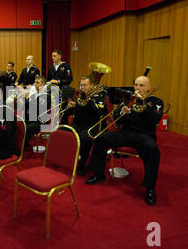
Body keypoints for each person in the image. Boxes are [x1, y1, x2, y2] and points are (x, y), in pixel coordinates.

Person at [85, 76, 163, 206]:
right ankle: (98, 173)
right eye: (136, 85)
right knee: (101, 138)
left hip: (145, 135)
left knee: (153, 149)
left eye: (142, 85)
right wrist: (122, 113)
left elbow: (154, 120)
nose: (138, 88)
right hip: (126, 133)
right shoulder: (128, 99)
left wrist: (143, 106)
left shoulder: (156, 102)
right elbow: (115, 118)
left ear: (149, 87)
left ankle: (150, 188)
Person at [62, 76, 108, 175]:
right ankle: (62, 158)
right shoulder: (78, 96)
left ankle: (82, 163)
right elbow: (69, 114)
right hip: (77, 124)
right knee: (61, 130)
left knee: (85, 138)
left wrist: (89, 101)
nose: (82, 87)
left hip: (91, 126)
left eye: (85, 85)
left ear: (91, 86)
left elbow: (100, 114)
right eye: (81, 85)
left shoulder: (99, 98)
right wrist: (69, 108)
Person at [24, 75, 51, 146]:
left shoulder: (46, 96)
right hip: (30, 118)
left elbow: (38, 109)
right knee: (19, 124)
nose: (35, 85)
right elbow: (25, 107)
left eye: (37, 83)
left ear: (43, 84)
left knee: (27, 128)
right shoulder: (33, 95)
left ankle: (22, 145)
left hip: (40, 121)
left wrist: (27, 99)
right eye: (35, 83)